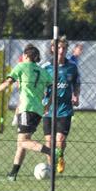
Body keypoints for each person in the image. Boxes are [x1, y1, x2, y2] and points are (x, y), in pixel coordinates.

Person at [0, 44, 53, 182]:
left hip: (26, 108)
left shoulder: (21, 66)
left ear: (26, 56)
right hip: (38, 111)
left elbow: (7, 83)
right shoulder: (43, 71)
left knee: (24, 141)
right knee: (20, 143)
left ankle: (50, 151)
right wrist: (47, 105)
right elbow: (52, 89)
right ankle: (12, 174)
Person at [41, 37, 80, 174]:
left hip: (65, 110)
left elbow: (77, 83)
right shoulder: (46, 67)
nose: (61, 51)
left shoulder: (72, 67)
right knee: (49, 141)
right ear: (53, 49)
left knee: (60, 140)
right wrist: (43, 91)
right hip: (48, 109)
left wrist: (76, 95)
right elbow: (39, 84)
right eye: (58, 48)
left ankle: (60, 156)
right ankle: (51, 169)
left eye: (64, 48)